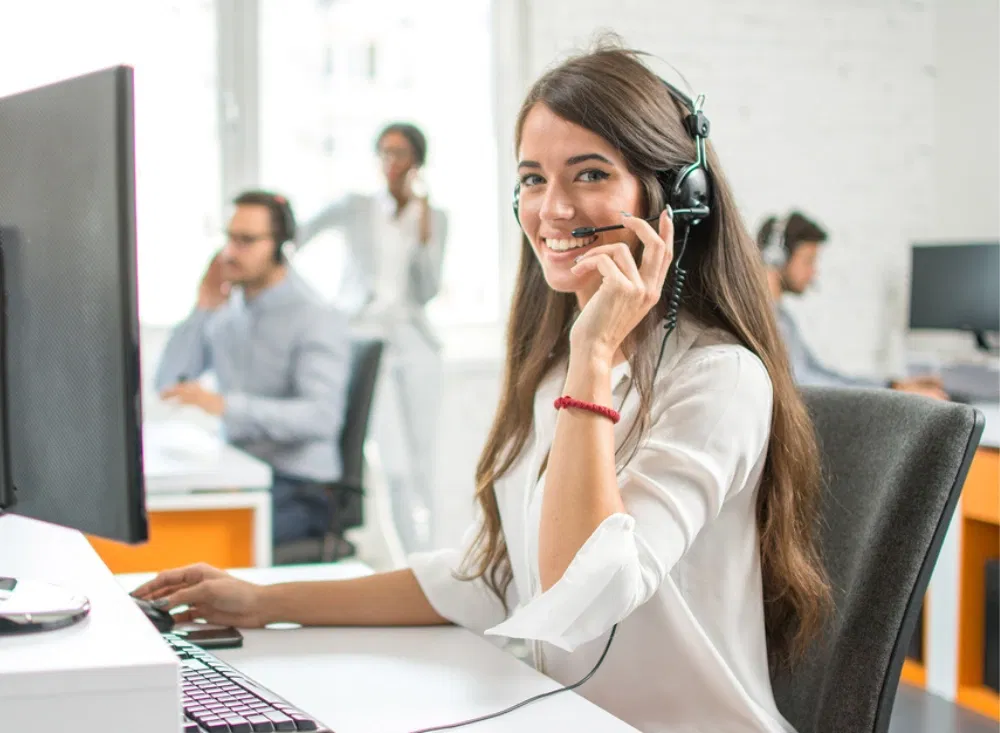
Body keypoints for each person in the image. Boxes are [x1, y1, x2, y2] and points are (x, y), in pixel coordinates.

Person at [136, 43, 831, 733]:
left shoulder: (718, 379)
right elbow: (493, 577)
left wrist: (593, 353)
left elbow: (581, 595)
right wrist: (265, 602)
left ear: (678, 199)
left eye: (590, 173)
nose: (552, 208)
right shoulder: (557, 371)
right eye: (532, 178)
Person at [155, 190, 351, 547]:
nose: (230, 253)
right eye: (229, 238)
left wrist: (226, 406)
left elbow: (322, 417)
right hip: (239, 473)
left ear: (280, 245)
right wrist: (202, 308)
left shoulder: (314, 316)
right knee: (161, 521)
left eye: (246, 241)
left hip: (300, 487)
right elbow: (168, 383)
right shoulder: (227, 311)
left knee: (194, 542)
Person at [295, 122, 448, 553]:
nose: (390, 162)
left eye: (399, 153)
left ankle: (432, 556)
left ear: (417, 161)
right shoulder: (355, 207)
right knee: (392, 462)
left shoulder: (434, 217)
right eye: (384, 152)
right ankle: (406, 559)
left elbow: (428, 290)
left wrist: (424, 236)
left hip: (414, 341)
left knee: (424, 459)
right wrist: (325, 309)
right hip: (364, 338)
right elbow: (295, 238)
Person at [758, 211, 948, 398]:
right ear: (776, 257)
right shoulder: (765, 321)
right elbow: (804, 384)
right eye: (808, 261)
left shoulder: (784, 319)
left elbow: (821, 375)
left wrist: (893, 385)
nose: (813, 273)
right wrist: (897, 396)